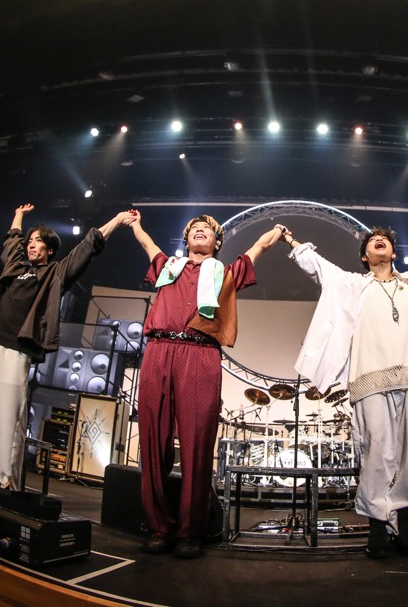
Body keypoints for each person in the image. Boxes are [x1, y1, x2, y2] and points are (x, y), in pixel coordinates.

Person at [278, 223, 408, 558]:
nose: (379, 241)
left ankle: (405, 520)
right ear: (364, 256)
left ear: (393, 253)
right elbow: (319, 266)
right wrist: (291, 240)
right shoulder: (353, 284)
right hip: (370, 378)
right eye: (372, 241)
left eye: (385, 240)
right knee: (377, 451)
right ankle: (378, 525)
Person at [122, 210, 282, 559]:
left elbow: (258, 248)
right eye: (194, 228)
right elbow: (147, 244)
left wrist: (277, 231)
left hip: (201, 353)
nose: (199, 230)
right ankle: (158, 526)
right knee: (153, 441)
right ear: (186, 239)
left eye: (206, 230)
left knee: (197, 444)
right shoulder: (168, 266)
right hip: (159, 350)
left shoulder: (225, 272)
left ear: (216, 242)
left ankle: (189, 531)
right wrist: (136, 225)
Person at [0, 203, 129, 491]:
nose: (31, 245)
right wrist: (18, 215)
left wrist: (117, 220)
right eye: (29, 241)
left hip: (16, 347)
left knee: (11, 417)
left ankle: (8, 482)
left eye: (37, 241)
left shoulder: (54, 274)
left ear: (50, 249)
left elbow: (88, 245)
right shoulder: (15, 266)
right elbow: (12, 240)